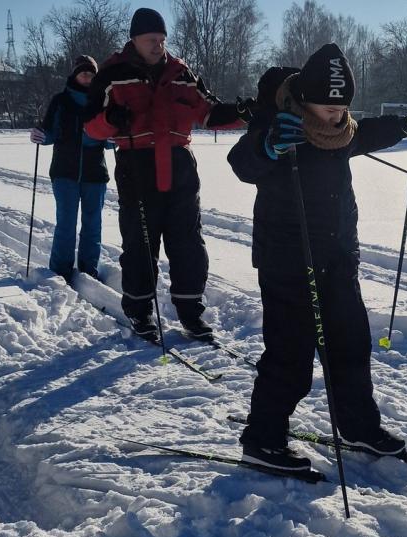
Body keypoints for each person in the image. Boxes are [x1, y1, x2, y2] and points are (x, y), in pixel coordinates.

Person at [227, 44, 407, 471]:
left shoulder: (341, 130)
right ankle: (262, 439)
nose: (337, 117)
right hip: (288, 261)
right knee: (291, 357)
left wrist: (405, 125)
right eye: (328, 108)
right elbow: (242, 162)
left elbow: (367, 132)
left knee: (351, 347)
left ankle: (358, 426)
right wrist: (268, 147)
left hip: (338, 257)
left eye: (343, 109)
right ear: (304, 100)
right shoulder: (279, 122)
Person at [84, 8, 251, 341]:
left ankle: (191, 314)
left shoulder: (181, 72)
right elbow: (92, 126)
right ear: (135, 39)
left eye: (162, 40)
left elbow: (208, 111)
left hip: (179, 165)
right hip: (137, 165)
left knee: (188, 242)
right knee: (141, 243)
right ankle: (141, 312)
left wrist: (244, 112)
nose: (158, 46)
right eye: (151, 40)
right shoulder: (113, 73)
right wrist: (112, 118)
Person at [30, 55, 113, 282]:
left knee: (92, 225)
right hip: (64, 172)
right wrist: (40, 135)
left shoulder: (104, 102)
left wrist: (115, 137)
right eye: (82, 72)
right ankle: (60, 271)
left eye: (91, 73)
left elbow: (109, 140)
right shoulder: (60, 101)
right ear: (75, 74)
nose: (87, 76)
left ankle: (88, 270)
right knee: (66, 223)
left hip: (95, 173)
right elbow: (50, 132)